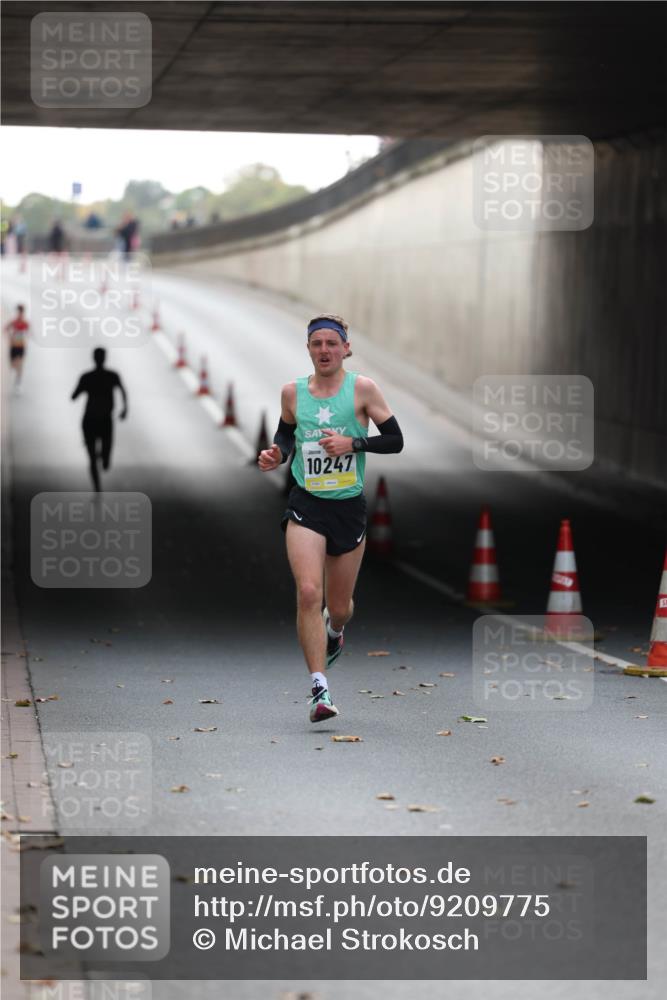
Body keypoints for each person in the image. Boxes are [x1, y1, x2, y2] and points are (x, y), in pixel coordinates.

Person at [258, 314, 404, 723]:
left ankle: (335, 631)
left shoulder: (362, 390)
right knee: (308, 592)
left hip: (348, 506)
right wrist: (276, 454)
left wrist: (353, 443)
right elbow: (286, 434)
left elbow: (395, 440)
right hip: (307, 502)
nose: (324, 350)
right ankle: (319, 689)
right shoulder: (293, 393)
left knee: (339, 607)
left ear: (345, 348)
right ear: (308, 349)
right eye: (317, 343)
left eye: (331, 343)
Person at [71, 348, 128, 492]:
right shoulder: (112, 376)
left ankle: (97, 482)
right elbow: (123, 391)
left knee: (92, 457)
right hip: (104, 420)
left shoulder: (87, 377)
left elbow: (73, 396)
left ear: (93, 358)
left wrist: (84, 388)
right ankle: (102, 462)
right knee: (105, 454)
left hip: (90, 419)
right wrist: (125, 409)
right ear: (105, 358)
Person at [4, 304, 29, 391]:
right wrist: (10, 337)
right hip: (13, 346)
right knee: (12, 365)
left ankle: (18, 383)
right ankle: (13, 379)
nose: (20, 314)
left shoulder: (25, 323)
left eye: (21, 312)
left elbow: (28, 333)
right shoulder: (13, 322)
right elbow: (5, 329)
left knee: (20, 365)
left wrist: (25, 337)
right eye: (19, 312)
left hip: (21, 347)